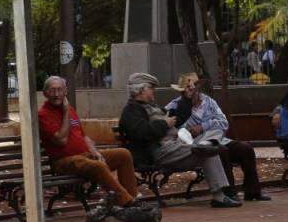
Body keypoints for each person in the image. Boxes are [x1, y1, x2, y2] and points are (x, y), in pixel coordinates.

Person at [117, 72, 241, 208]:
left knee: (212, 140)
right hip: (160, 151)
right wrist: (165, 124)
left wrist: (187, 97)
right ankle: (205, 151)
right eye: (151, 88)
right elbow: (142, 132)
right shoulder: (131, 111)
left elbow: (178, 118)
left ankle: (219, 195)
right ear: (141, 90)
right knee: (207, 151)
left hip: (176, 146)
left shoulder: (153, 107)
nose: (154, 91)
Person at [165, 72, 270, 202]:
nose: (190, 93)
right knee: (220, 151)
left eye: (193, 89)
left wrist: (203, 126)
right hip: (196, 145)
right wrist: (189, 130)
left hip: (217, 138)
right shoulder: (174, 106)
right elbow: (172, 130)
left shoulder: (209, 102)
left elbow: (223, 122)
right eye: (186, 90)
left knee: (245, 148)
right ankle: (229, 193)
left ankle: (253, 192)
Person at [38, 75, 140, 206]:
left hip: (84, 157)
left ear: (65, 91)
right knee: (98, 166)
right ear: (45, 93)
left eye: (60, 90)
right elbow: (61, 140)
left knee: (123, 154)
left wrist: (95, 152)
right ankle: (126, 201)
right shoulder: (43, 114)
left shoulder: (69, 109)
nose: (57, 94)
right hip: (64, 161)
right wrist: (65, 113)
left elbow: (83, 135)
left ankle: (133, 198)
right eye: (52, 90)